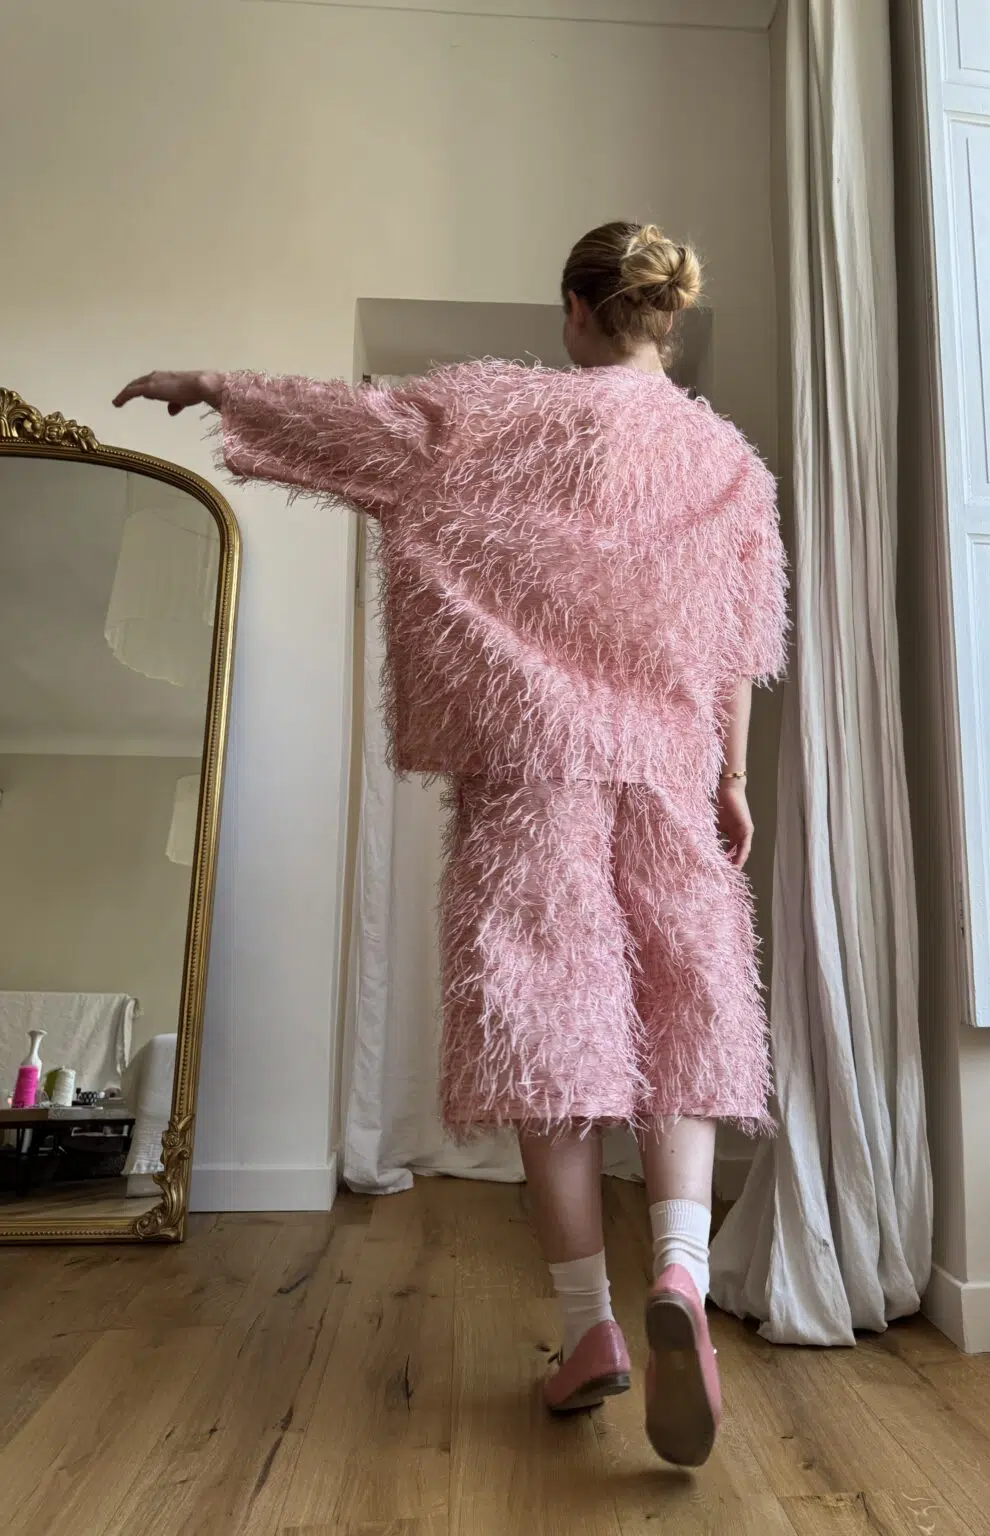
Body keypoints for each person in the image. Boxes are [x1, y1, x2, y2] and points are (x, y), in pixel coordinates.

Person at [114, 220, 787, 1469]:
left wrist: (214, 384)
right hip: (672, 770)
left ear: (576, 309)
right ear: (668, 317)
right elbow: (739, 639)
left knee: (547, 1033)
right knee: (689, 1014)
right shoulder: (727, 463)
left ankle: (589, 1329)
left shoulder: (499, 413)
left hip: (531, 768)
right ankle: (681, 1273)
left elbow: (363, 427)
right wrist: (733, 781)